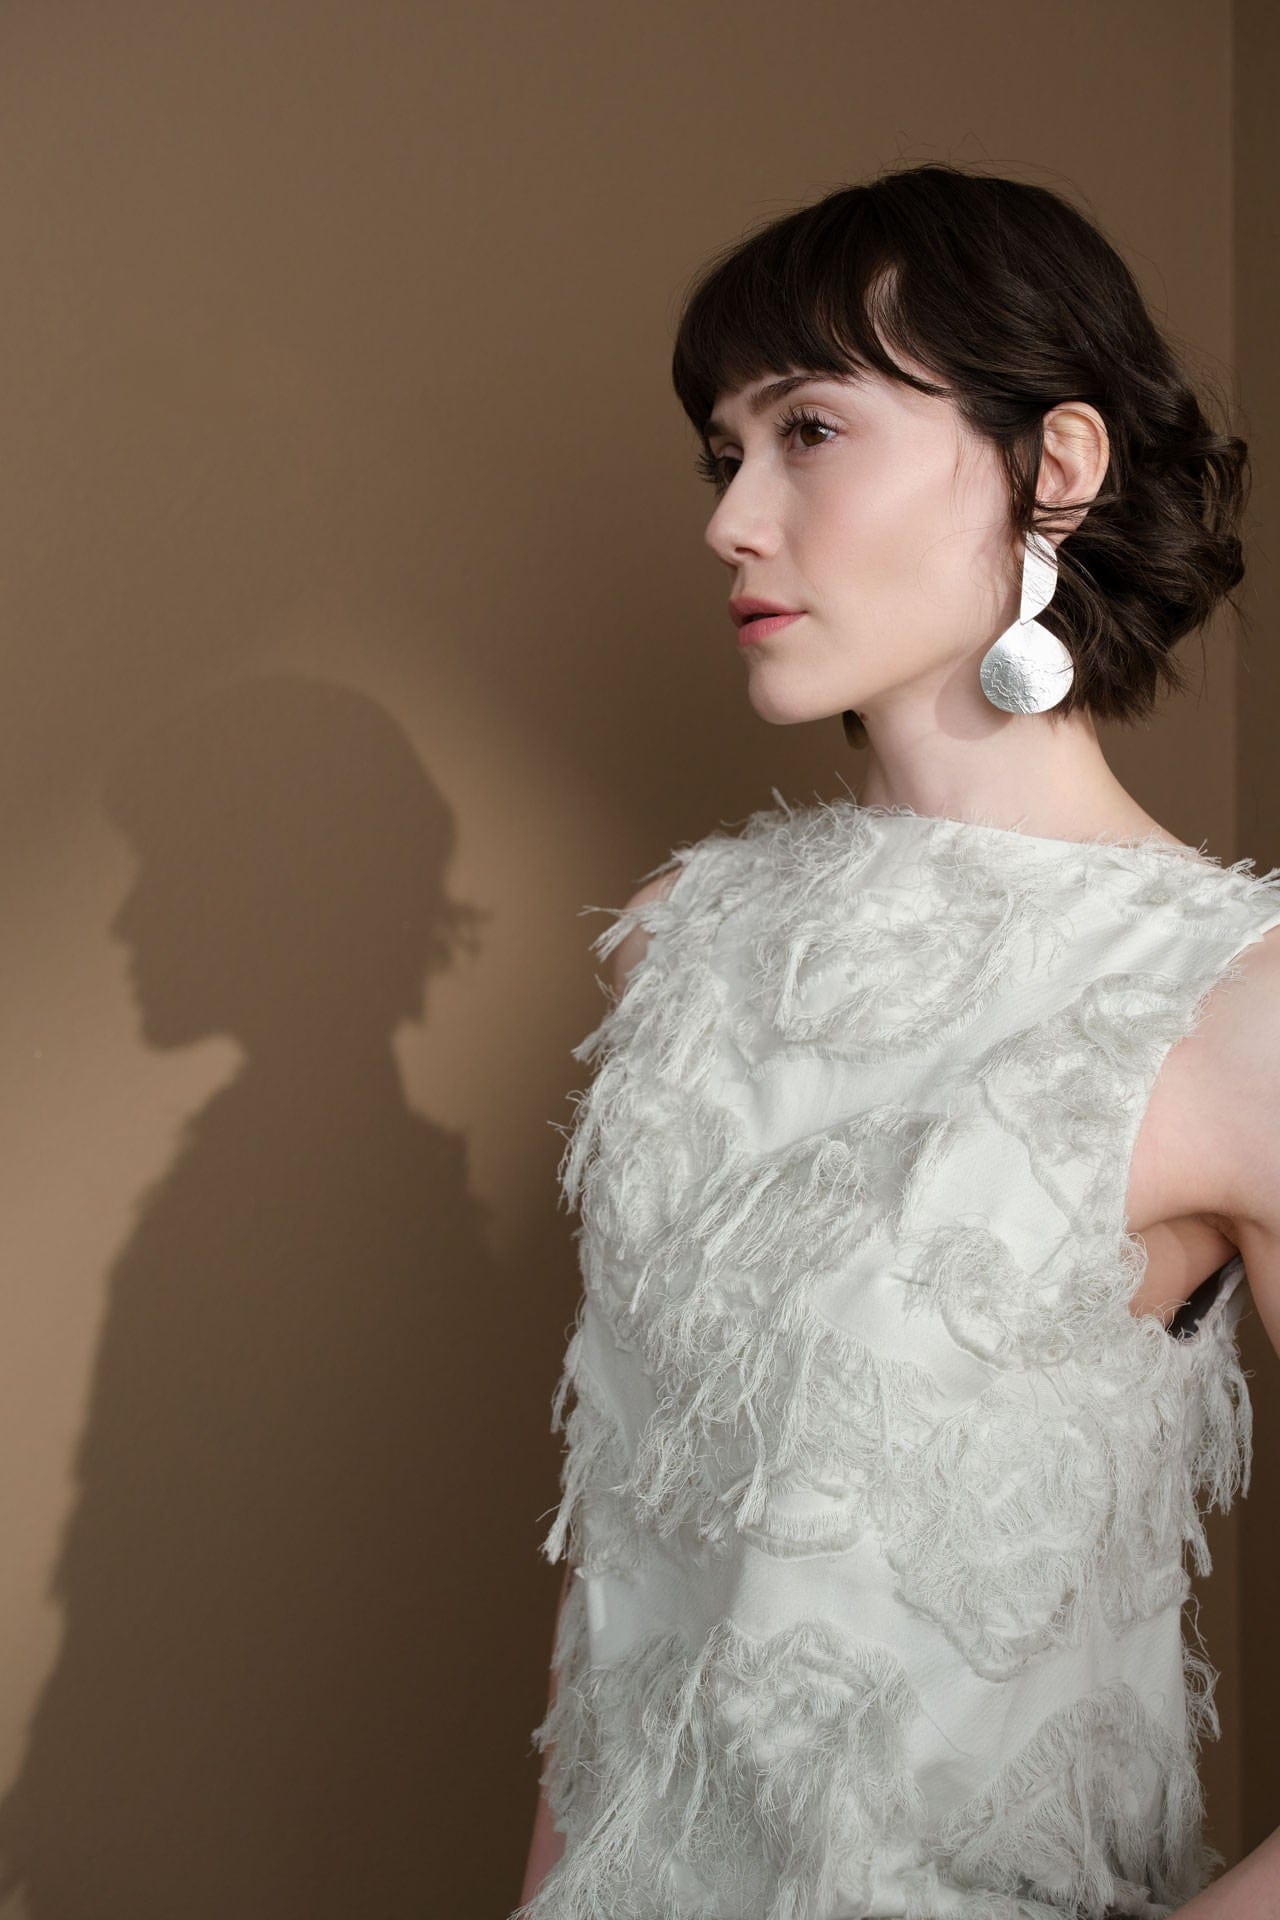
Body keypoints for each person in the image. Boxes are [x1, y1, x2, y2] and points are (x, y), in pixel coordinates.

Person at [514, 163, 1280, 1920]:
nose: (732, 517)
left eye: (810, 429)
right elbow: (619, 1576)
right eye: (726, 453)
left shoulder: (1237, 1002)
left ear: (1057, 465)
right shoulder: (677, 948)